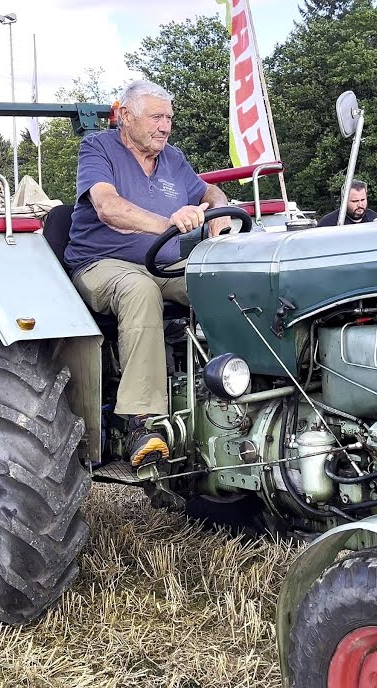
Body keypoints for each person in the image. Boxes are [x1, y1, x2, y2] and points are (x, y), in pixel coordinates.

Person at [65, 80, 230, 466]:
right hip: (102, 265)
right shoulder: (98, 148)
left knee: (220, 280)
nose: (165, 125)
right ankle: (142, 421)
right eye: (156, 116)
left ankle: (236, 388)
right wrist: (167, 223)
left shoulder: (173, 158)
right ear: (125, 116)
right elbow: (107, 207)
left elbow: (210, 193)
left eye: (169, 117)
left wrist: (217, 211)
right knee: (140, 290)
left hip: (164, 264)